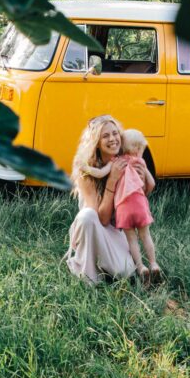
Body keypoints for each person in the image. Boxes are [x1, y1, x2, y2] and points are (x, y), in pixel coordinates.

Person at [66, 115, 156, 285]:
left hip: (117, 229)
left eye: (115, 134)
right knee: (87, 216)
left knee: (124, 271)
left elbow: (142, 195)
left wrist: (143, 176)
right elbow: (102, 219)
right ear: (96, 142)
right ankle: (87, 271)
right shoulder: (86, 171)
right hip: (93, 228)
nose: (113, 139)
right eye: (105, 136)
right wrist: (112, 181)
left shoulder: (124, 159)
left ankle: (108, 262)